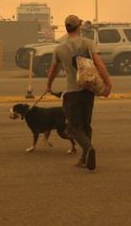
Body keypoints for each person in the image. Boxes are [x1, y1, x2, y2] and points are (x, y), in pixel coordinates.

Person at [45, 14, 112, 171]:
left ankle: (88, 149)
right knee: (86, 124)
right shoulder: (88, 43)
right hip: (88, 91)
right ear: (79, 26)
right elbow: (99, 63)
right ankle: (84, 157)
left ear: (67, 27)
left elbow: (53, 70)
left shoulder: (59, 48)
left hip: (72, 92)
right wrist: (108, 82)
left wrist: (48, 86)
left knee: (73, 127)